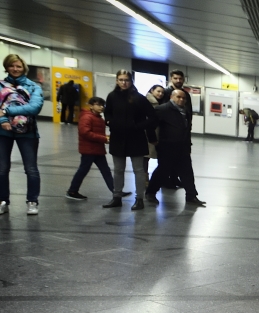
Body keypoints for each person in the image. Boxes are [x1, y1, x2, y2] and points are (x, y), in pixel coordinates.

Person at [102, 69, 155, 210]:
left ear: (131, 82)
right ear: (117, 81)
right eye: (121, 80)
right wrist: (109, 122)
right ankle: (116, 197)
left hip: (136, 138)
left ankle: (139, 199)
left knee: (138, 170)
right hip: (118, 137)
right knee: (118, 169)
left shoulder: (139, 98)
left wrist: (138, 126)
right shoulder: (112, 96)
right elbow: (108, 112)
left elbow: (153, 117)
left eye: (126, 80)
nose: (124, 83)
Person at [0, 53, 44, 216]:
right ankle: (2, 201)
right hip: (3, 132)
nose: (15, 69)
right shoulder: (1, 85)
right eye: (12, 65)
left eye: (18, 66)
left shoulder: (33, 86)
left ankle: (32, 201)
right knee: (2, 169)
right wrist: (3, 120)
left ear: (24, 68)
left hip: (28, 132)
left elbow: (34, 108)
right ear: (7, 67)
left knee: (31, 168)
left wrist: (6, 110)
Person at [147, 90, 205, 207]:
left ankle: (191, 196)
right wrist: (153, 140)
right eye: (178, 97)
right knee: (163, 170)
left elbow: (187, 130)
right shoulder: (162, 109)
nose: (181, 100)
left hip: (182, 147)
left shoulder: (186, 111)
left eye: (184, 98)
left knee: (187, 172)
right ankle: (151, 193)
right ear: (171, 97)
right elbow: (150, 126)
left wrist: (188, 145)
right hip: (167, 146)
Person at [66, 96, 115, 200]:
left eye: (103, 105)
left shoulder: (98, 118)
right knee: (83, 170)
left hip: (97, 149)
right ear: (91, 106)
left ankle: (115, 191)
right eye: (98, 105)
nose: (101, 107)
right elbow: (85, 133)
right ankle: (72, 191)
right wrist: (104, 139)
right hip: (89, 150)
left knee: (105, 170)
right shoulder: (87, 117)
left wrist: (105, 137)